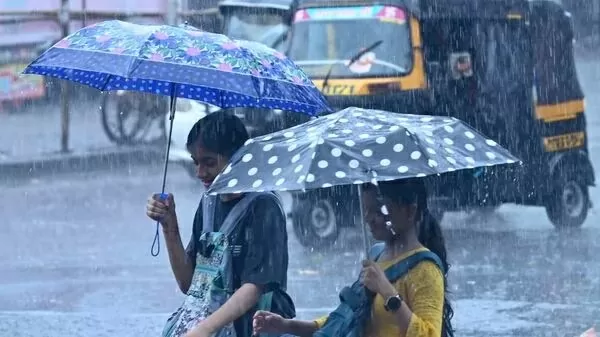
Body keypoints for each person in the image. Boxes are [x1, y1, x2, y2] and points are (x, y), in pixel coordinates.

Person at [146, 112, 290, 337]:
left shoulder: (264, 207)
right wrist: (169, 226)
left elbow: (254, 288)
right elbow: (189, 284)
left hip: (257, 325)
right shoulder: (209, 203)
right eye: (196, 163)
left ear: (238, 158)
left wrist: (204, 329)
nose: (200, 173)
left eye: (209, 163)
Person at [252, 178, 454, 337]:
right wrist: (287, 325)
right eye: (366, 210)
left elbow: (429, 334)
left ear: (410, 211)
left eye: (379, 210)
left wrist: (388, 292)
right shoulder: (376, 255)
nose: (368, 218)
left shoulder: (425, 269)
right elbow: (344, 320)